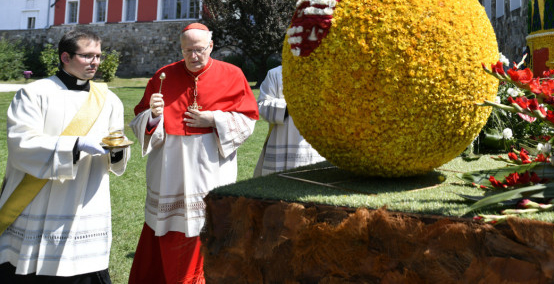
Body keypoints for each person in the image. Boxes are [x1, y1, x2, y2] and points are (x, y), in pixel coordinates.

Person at [128, 23, 258, 284]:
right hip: (170, 165)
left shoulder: (232, 74)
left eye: (199, 49)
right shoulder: (163, 76)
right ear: (181, 49)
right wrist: (153, 115)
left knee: (209, 225)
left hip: (210, 164)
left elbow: (248, 120)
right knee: (171, 227)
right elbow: (141, 122)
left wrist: (213, 119)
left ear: (211, 46)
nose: (193, 56)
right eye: (187, 50)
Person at [0, 28, 129, 282]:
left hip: (87, 196)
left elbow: (117, 144)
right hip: (40, 197)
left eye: (98, 56)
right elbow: (21, 143)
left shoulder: (109, 99)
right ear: (65, 57)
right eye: (87, 56)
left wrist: (116, 151)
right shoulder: (34, 94)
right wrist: (76, 145)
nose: (95, 62)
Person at [253, 65, 323, 177]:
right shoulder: (275, 74)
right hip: (282, 140)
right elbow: (262, 105)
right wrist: (288, 106)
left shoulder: (324, 73)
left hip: (312, 144)